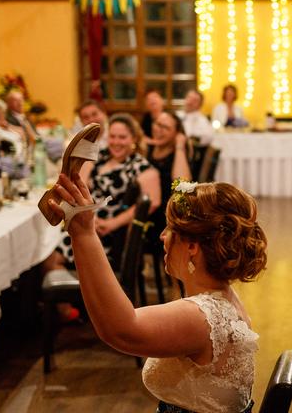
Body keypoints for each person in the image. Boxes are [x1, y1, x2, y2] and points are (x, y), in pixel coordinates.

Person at [47, 175, 267, 413]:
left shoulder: (202, 316)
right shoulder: (223, 298)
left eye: (170, 229)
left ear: (192, 247)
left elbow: (120, 330)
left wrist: (83, 233)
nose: (162, 236)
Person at [51, 113, 161, 269]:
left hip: (111, 235)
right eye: (112, 137)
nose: (116, 142)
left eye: (122, 137)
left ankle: (75, 283)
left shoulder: (141, 166)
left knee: (52, 258)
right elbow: (79, 184)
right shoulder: (99, 157)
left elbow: (153, 202)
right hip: (85, 221)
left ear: (134, 139)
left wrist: (112, 224)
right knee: (45, 250)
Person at [147, 110, 192, 247]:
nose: (158, 129)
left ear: (176, 134)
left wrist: (179, 146)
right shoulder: (148, 148)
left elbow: (182, 184)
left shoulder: (178, 155)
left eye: (165, 127)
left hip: (163, 213)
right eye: (157, 124)